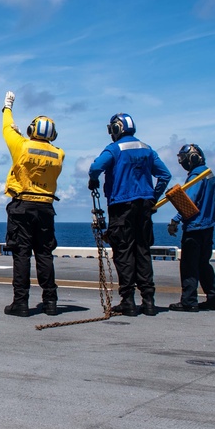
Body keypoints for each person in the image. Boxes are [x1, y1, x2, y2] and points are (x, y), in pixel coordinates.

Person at [88, 113, 171, 316]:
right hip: (144, 207)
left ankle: (128, 301)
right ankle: (149, 301)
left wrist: (94, 180)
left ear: (117, 129)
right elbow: (165, 175)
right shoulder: (147, 149)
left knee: (124, 253)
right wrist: (153, 197)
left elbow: (96, 167)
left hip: (121, 206)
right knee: (142, 251)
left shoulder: (115, 149)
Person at [0, 91, 64, 317]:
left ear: (30, 130)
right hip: (46, 208)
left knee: (21, 254)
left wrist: (7, 107)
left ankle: (21, 303)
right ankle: (51, 302)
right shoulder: (59, 154)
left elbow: (7, 129)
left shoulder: (22, 146)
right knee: (45, 254)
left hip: (22, 207)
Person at [167, 144, 215, 312]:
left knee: (189, 266)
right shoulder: (210, 175)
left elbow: (189, 203)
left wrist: (175, 220)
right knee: (203, 264)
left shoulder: (197, 176)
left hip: (195, 227)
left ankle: (189, 301)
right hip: (208, 227)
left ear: (192, 158)